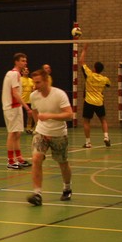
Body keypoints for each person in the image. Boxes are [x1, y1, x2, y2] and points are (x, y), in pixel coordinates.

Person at [27, 68, 74, 206]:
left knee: (63, 163)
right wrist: (38, 126)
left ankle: (67, 188)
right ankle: (37, 194)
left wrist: (50, 116)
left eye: (38, 82)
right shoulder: (33, 96)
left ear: (46, 81)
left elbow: (69, 115)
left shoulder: (59, 95)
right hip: (41, 132)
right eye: (34, 83)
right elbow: (35, 112)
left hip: (59, 134)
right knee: (36, 159)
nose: (35, 86)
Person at [78, 43, 111, 148]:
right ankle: (106, 137)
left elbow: (81, 61)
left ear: (94, 68)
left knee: (86, 121)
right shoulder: (104, 79)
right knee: (103, 120)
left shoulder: (89, 74)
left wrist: (84, 49)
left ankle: (88, 143)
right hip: (99, 102)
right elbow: (108, 85)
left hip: (88, 101)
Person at [2, 53, 31, 169]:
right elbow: (15, 93)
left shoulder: (17, 74)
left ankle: (19, 158)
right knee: (12, 133)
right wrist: (27, 107)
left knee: (18, 133)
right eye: (22, 61)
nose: (25, 63)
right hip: (11, 107)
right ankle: (10, 161)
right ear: (16, 62)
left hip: (17, 107)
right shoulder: (13, 74)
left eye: (25, 61)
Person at [20, 66, 35, 133]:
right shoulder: (20, 79)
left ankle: (28, 128)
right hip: (22, 101)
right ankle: (18, 128)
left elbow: (34, 88)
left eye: (27, 70)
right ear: (22, 72)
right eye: (24, 70)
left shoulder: (31, 80)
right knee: (20, 116)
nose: (26, 71)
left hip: (30, 101)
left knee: (30, 115)